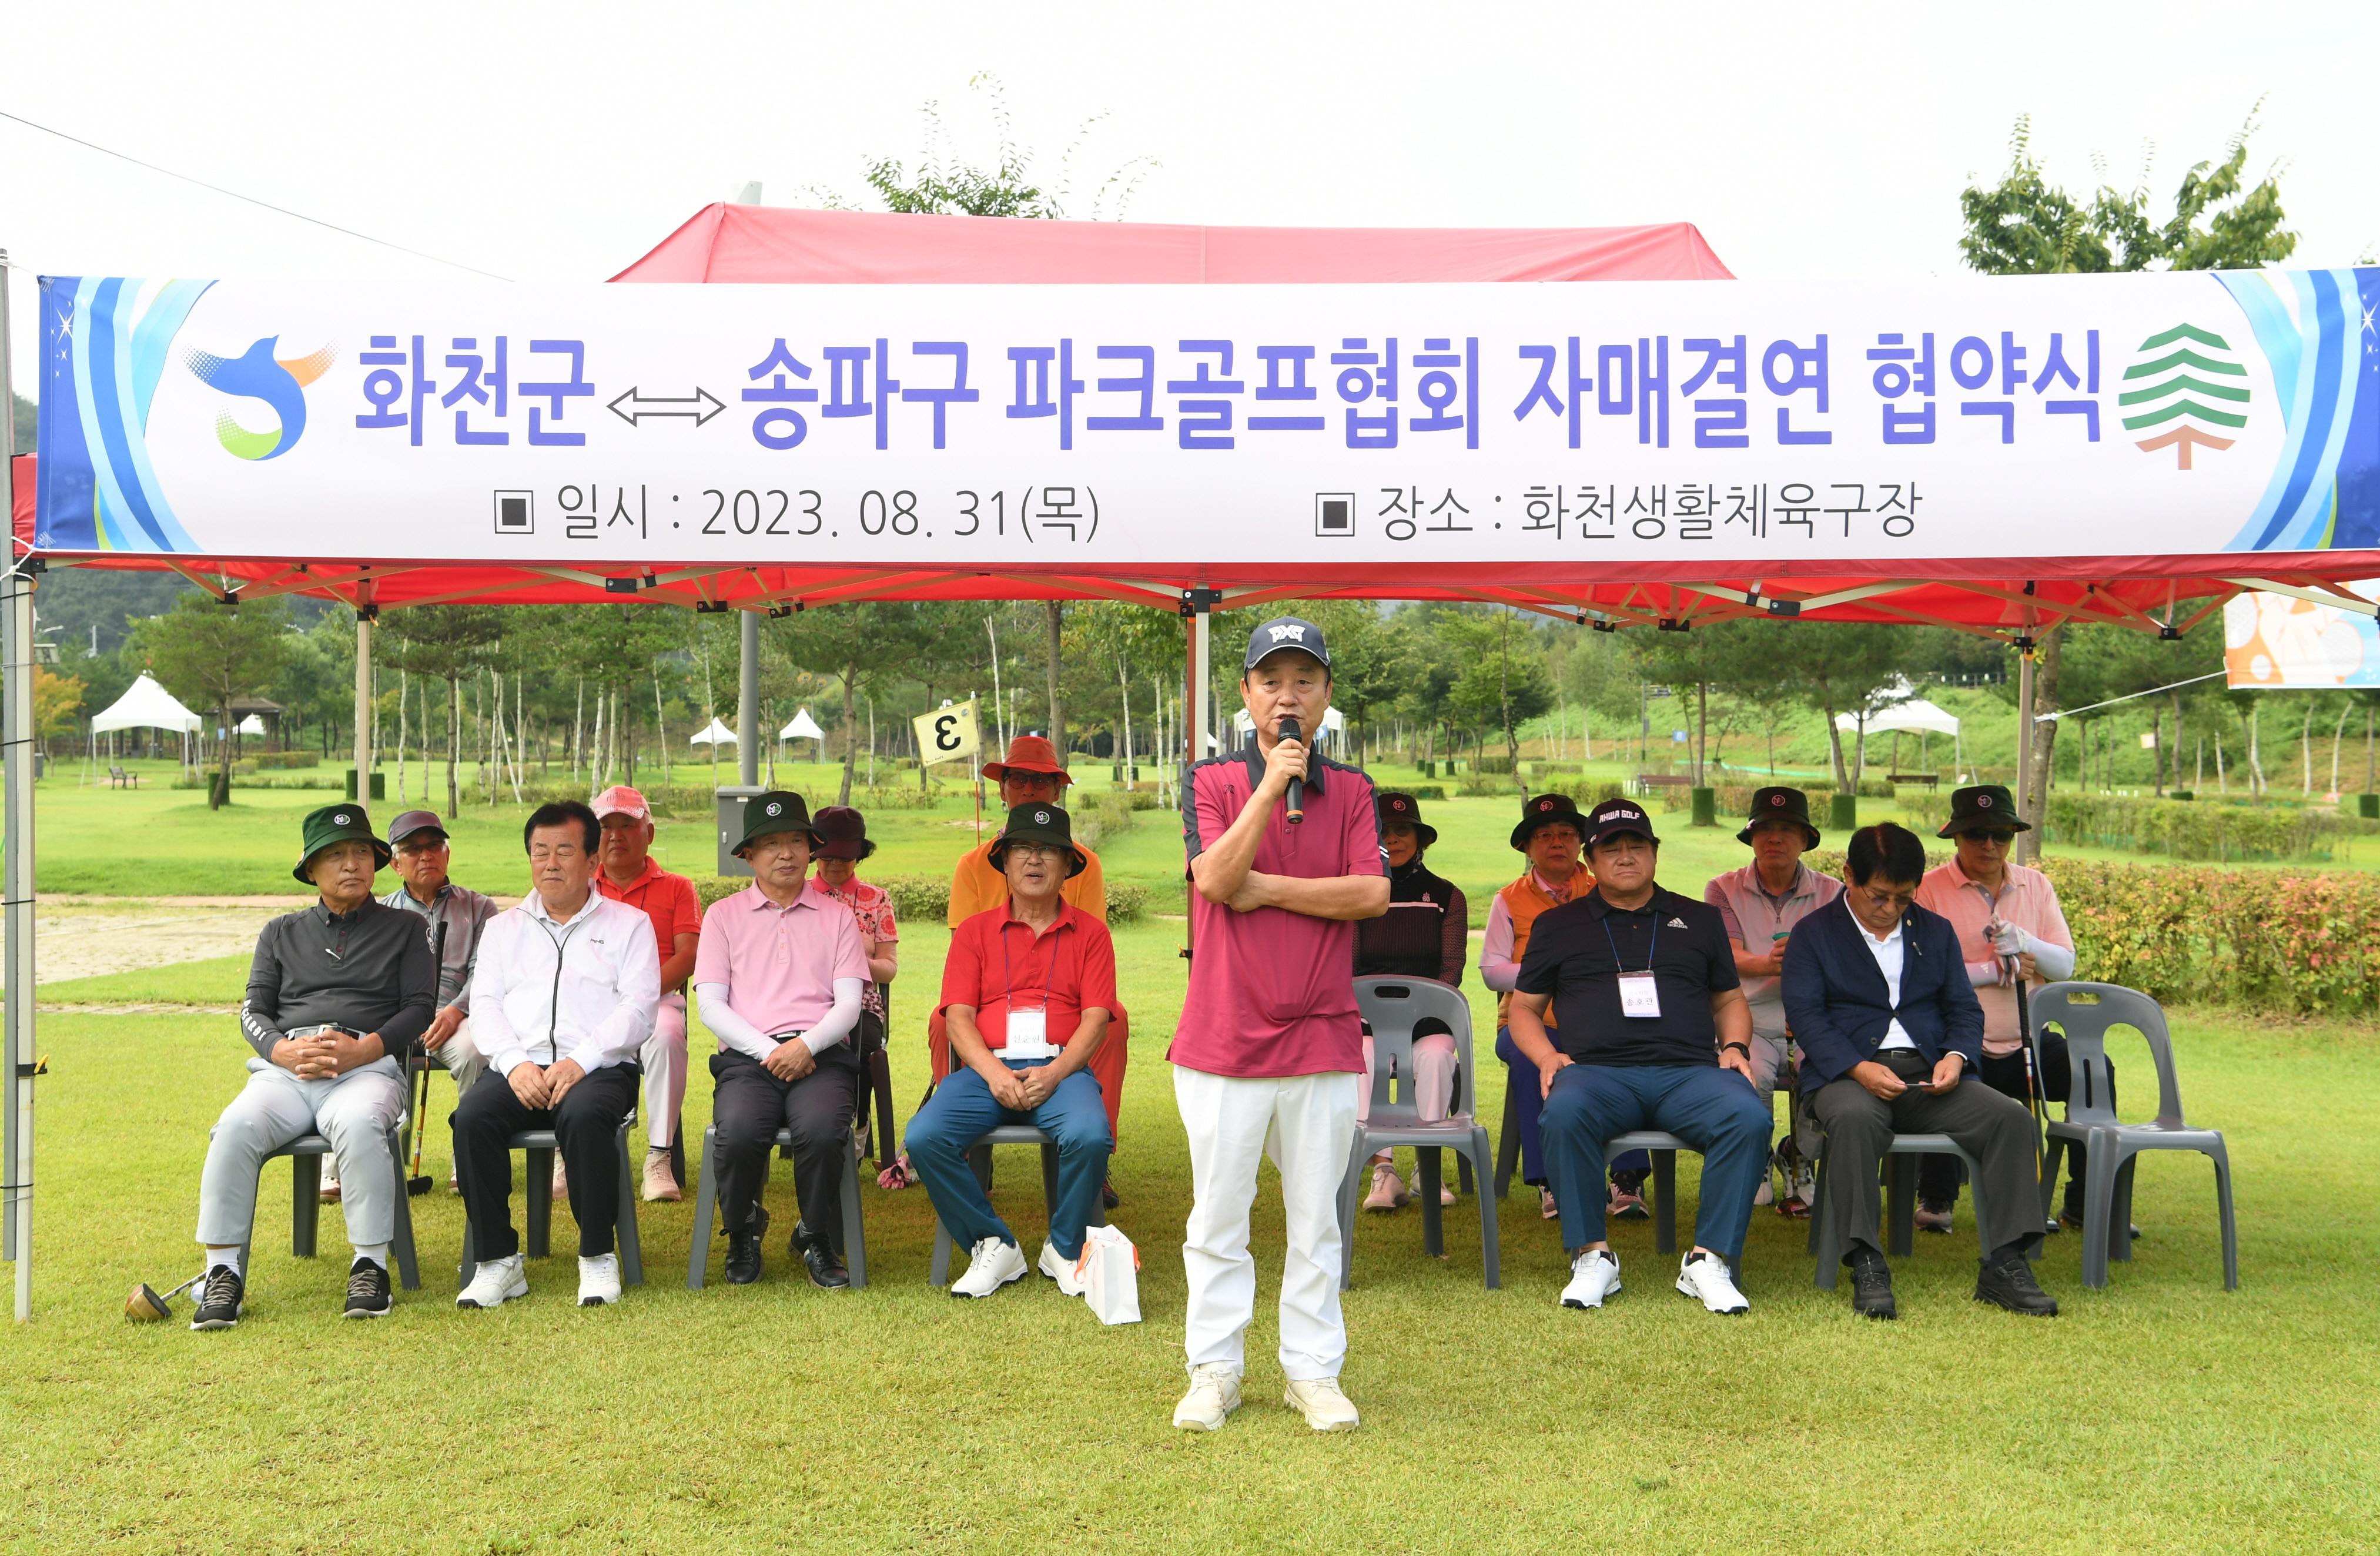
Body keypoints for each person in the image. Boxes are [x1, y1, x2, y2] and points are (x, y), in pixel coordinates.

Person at [1171, 616, 1385, 1435]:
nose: (1287, 695)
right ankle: (1215, 1368)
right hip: (1225, 1037)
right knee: (1219, 1214)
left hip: (1324, 1033)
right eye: (1272, 680)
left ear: (1327, 695)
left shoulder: (1356, 790)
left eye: (1304, 680)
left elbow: (1368, 895)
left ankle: (1313, 1371)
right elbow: (1218, 878)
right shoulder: (1213, 777)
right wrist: (1270, 785)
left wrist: (1268, 888)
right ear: (1247, 694)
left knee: (1315, 1216)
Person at [1781, 822, 2059, 1320]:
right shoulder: (1813, 934)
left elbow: (1963, 1009)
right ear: (1847, 875)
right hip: (1847, 1076)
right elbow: (1806, 1018)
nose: (1890, 909)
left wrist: (1956, 1056)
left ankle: (2005, 1262)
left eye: (1904, 898)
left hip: (1929, 1074)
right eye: (1879, 896)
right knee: (1854, 1119)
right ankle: (1865, 1260)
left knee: (2011, 1118)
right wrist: (1858, 1067)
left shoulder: (1933, 931)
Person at [1506, 798, 1767, 1316]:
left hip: (1688, 1072)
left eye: (1636, 846)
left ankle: (1707, 1260)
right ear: (1592, 859)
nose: (1625, 857)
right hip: (1596, 1073)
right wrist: (1545, 1056)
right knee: (1562, 1111)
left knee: (1747, 1114)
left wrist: (1734, 1047)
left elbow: (1728, 999)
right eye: (1611, 848)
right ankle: (1592, 1255)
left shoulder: (1698, 918)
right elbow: (1524, 1009)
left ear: (1654, 853)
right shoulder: (1559, 925)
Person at [188, 805, 433, 1329]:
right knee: (233, 1126)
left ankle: (369, 1263)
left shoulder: (407, 928)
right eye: (337, 855)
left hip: (365, 1068)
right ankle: (221, 1272)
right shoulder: (280, 932)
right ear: (311, 869)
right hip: (287, 1071)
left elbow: (419, 1007)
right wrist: (280, 1050)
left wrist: (363, 1049)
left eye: (362, 853)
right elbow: (252, 1009)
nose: (352, 865)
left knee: (359, 1123)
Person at [454, 801, 657, 1310]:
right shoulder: (504, 928)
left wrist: (580, 1060)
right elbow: (485, 1004)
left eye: (564, 851)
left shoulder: (630, 924)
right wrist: (515, 1062)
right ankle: (498, 1261)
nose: (550, 863)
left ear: (593, 862)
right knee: (473, 1117)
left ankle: (595, 1256)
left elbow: (639, 1009)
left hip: (599, 1067)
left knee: (586, 1115)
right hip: (518, 1066)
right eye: (539, 852)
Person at [908, 804, 1116, 1299]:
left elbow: (1096, 1020)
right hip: (987, 1070)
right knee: (925, 1135)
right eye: (1023, 848)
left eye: (1049, 850)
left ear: (1069, 865)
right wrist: (995, 1072)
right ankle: (994, 1242)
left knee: (1090, 1135)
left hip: (1061, 1070)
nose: (1035, 860)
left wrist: (1057, 1071)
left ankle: (1063, 1249)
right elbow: (957, 1016)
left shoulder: (1091, 933)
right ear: (1004, 861)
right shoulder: (976, 931)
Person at [694, 791, 870, 1289]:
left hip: (821, 1054)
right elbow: (711, 1005)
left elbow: (849, 1004)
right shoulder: (722, 916)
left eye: (796, 840)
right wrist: (770, 1050)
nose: (786, 853)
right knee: (739, 1132)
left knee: (821, 1129)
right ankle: (743, 1230)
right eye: (770, 843)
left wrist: (805, 1046)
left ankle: (814, 1234)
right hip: (751, 1056)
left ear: (811, 848)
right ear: (749, 854)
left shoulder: (837, 916)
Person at [939, 734, 1129, 1193]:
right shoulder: (972, 864)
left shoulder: (1083, 862)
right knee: (940, 1020)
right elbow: (965, 951)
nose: (1028, 789)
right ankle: (961, 1139)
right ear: (1002, 789)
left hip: (1063, 985)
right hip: (992, 991)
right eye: (1018, 779)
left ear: (1057, 790)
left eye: (1040, 781)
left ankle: (1093, 1150)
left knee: (1113, 1020)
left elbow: (1087, 940)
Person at [1913, 784, 2083, 1230]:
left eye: (2000, 835)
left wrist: (2027, 945)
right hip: (1957, 1040)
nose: (1989, 845)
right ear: (1955, 837)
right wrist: (1992, 969)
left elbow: (2063, 963)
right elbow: (1920, 973)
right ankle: (1936, 1197)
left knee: (2092, 1071)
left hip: (2028, 1039)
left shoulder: (2035, 885)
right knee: (1939, 1079)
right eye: (1976, 835)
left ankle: (2084, 1201)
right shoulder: (1928, 890)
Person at [327, 809, 498, 1202]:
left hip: (455, 1020)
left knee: (476, 1049)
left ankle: (467, 1157)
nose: (426, 856)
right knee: (344, 1046)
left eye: (434, 846)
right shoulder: (375, 911)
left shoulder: (479, 908)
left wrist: (455, 1010)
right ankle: (336, 1166)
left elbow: (487, 973)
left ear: (447, 853)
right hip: (394, 1020)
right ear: (395, 862)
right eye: (413, 848)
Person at [1702, 787, 1840, 1216]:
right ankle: (1757, 1156)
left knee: (1821, 1073)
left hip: (1815, 1016)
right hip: (1748, 1016)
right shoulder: (1722, 888)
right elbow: (1724, 955)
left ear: (1804, 838)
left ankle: (1799, 1156)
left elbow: (1843, 959)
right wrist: (1769, 963)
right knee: (1751, 1073)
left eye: (1786, 829)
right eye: (1765, 829)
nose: (1774, 838)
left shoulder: (1833, 892)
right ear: (1751, 835)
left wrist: (1803, 965)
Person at [1481, 792, 1602, 1223]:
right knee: (1532, 1060)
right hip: (1528, 1022)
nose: (1557, 843)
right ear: (1527, 847)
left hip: (1597, 1022)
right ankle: (1549, 1180)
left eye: (1567, 834)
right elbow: (1492, 972)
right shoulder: (1508, 899)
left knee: (1632, 1051)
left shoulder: (1603, 890)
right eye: (1545, 835)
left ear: (1581, 843)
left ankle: (1628, 1177)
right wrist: (1549, 973)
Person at [1353, 791, 1467, 1213]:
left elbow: (1451, 969)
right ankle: (1384, 1170)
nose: (1394, 838)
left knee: (1436, 1058)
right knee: (1360, 1054)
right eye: (1383, 830)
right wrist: (1382, 1017)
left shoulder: (1446, 896)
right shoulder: (1357, 894)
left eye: (1404, 830)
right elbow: (1349, 967)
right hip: (1368, 1023)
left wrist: (1414, 1014)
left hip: (1429, 1024)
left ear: (1420, 839)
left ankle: (1427, 1165)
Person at [590, 785, 704, 1203]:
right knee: (566, 1036)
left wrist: (636, 994)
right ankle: (569, 1152)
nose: (616, 835)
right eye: (606, 827)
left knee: (667, 1034)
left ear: (649, 833)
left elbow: (689, 954)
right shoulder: (581, 886)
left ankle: (659, 1156)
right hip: (591, 1005)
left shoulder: (677, 887)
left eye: (627, 825)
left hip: (657, 1001)